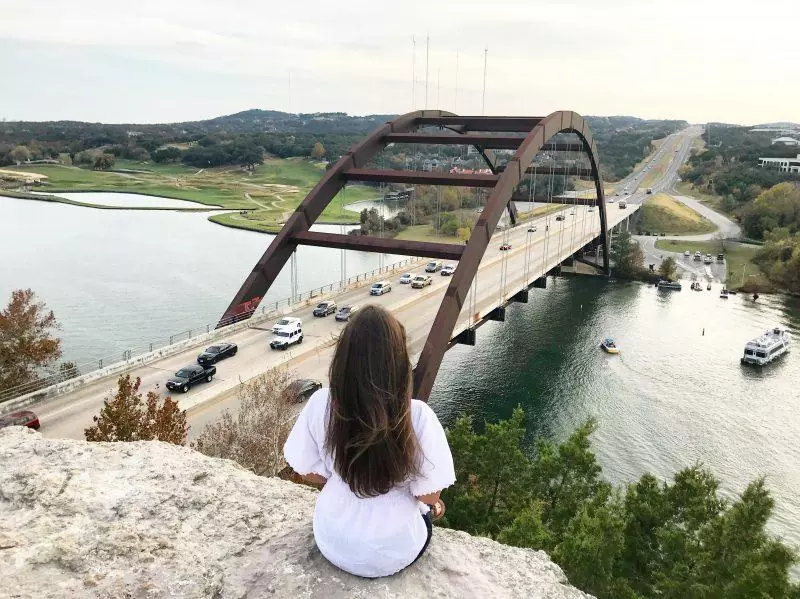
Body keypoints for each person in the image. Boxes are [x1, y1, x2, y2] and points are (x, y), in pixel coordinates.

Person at [284, 305, 455, 578]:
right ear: (399, 367)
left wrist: (344, 478)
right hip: (394, 550)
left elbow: (305, 471)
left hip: (332, 539)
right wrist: (432, 504)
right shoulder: (418, 417)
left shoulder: (320, 405)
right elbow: (428, 494)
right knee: (432, 509)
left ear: (342, 362)